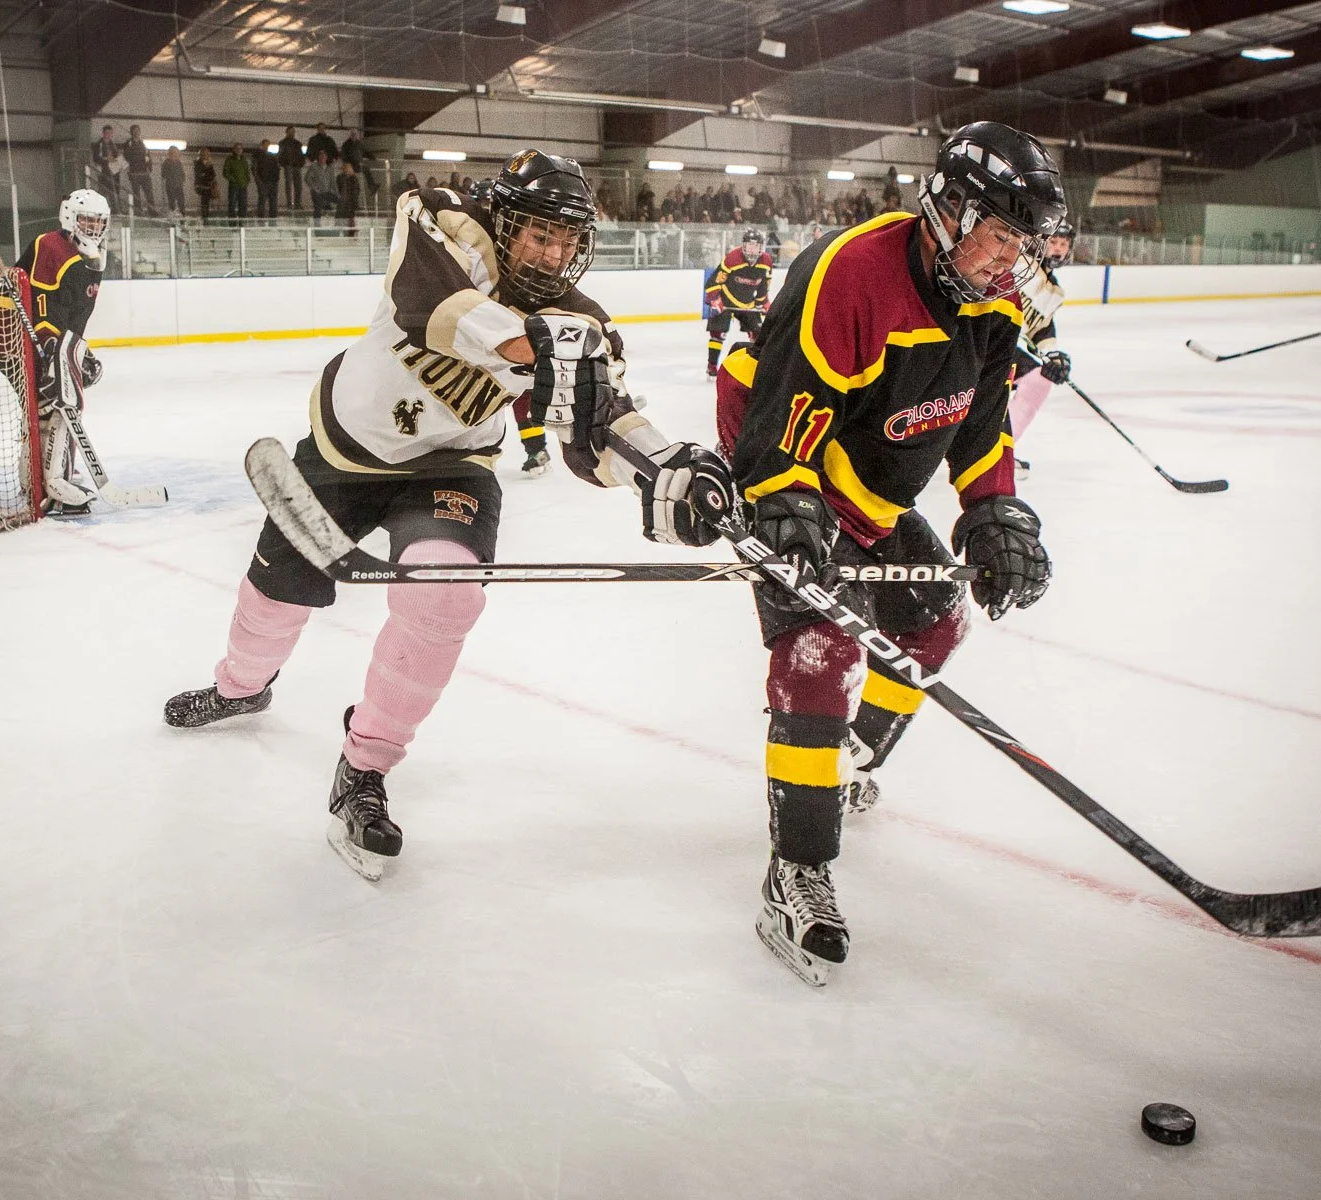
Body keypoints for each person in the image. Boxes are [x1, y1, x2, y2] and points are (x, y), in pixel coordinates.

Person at [162, 149, 733, 885]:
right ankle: (242, 685)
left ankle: (364, 765)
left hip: (450, 467)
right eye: (538, 235)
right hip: (344, 451)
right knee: (273, 595)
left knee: (446, 598)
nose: (554, 254)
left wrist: (665, 472)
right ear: (503, 220)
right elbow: (429, 308)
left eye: (568, 241)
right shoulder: (443, 221)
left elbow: (600, 428)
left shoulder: (579, 321)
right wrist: (536, 348)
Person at [713, 121, 1066, 986]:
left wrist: (994, 513)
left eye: (1025, 247)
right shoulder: (853, 272)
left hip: (873, 492)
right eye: (1001, 238)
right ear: (949, 212)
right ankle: (796, 864)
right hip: (784, 464)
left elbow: (980, 433)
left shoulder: (994, 302)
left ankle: (849, 760)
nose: (1010, 262)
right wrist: (784, 502)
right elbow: (779, 410)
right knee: (820, 647)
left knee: (938, 625)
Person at [16, 189, 110, 517]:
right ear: (70, 217)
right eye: (87, 219)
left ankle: (40, 478)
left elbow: (71, 312)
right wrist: (51, 350)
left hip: (51, 339)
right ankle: (50, 484)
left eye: (99, 221)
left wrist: (78, 352)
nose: (94, 227)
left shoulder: (94, 256)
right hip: (15, 336)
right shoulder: (50, 246)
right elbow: (41, 305)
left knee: (53, 401)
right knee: (57, 400)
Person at [1008, 219, 1076, 475]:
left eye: (1064, 244)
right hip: (990, 341)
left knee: (1038, 380)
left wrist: (1053, 355)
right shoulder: (1018, 263)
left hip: (1012, 350)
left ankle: (999, 452)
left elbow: (1042, 329)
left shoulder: (1056, 291)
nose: (1058, 249)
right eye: (1054, 242)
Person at [703, 228, 773, 378]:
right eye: (749, 245)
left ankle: (755, 365)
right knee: (717, 333)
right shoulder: (732, 258)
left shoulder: (766, 262)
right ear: (743, 245)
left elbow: (763, 285)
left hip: (748, 304)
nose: (752, 249)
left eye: (756, 246)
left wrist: (764, 302)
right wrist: (715, 300)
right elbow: (714, 281)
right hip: (726, 299)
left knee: (758, 334)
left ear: (761, 247)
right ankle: (712, 365)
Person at [124, 125, 156, 216]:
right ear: (132, 132)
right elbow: (127, 156)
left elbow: (148, 155)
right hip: (135, 173)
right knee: (136, 194)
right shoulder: (128, 143)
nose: (137, 132)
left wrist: (150, 167)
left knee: (149, 193)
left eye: (138, 130)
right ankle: (138, 212)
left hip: (145, 172)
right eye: (135, 131)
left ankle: (152, 211)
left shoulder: (143, 143)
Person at [251, 139, 280, 221]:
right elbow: (254, 168)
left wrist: (276, 179)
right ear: (262, 145)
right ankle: (261, 218)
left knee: (273, 201)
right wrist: (258, 181)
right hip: (263, 181)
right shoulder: (257, 155)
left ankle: (273, 218)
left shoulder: (272, 156)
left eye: (268, 145)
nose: (267, 146)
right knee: (262, 200)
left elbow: (277, 168)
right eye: (265, 145)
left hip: (273, 181)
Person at [304, 150, 337, 218]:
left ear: (326, 157)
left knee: (340, 201)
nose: (323, 158)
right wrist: (314, 188)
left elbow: (333, 182)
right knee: (317, 206)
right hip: (317, 192)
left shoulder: (329, 168)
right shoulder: (314, 167)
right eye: (321, 156)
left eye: (324, 156)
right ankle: (317, 223)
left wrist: (336, 193)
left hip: (327, 192)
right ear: (318, 157)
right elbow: (307, 178)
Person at [278, 127, 304, 211]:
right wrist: (284, 163)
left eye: (293, 132)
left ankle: (298, 204)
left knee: (299, 186)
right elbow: (281, 154)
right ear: (287, 132)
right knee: (289, 186)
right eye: (290, 132)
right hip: (288, 165)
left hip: (297, 166)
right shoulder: (282, 143)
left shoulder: (298, 143)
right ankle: (289, 204)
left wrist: (301, 163)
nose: (292, 133)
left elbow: (301, 154)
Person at [91, 125, 120, 199]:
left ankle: (113, 209)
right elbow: (96, 158)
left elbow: (116, 156)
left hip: (114, 171)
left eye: (111, 133)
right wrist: (107, 159)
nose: (109, 135)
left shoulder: (113, 145)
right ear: (103, 133)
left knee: (114, 191)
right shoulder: (98, 144)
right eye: (107, 133)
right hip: (104, 171)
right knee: (103, 191)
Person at [223, 143, 251, 222]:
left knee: (243, 204)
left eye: (240, 148)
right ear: (234, 150)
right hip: (234, 186)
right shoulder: (229, 159)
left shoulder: (244, 160)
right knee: (232, 204)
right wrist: (233, 180)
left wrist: (247, 180)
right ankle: (232, 222)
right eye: (237, 148)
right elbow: (225, 172)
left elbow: (247, 171)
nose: (239, 150)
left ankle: (242, 222)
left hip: (243, 185)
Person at [336, 160, 361, 235]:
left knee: (349, 218)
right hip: (344, 202)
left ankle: (350, 232)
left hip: (349, 202)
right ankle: (346, 232)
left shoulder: (353, 178)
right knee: (344, 218)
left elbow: (355, 190)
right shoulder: (340, 178)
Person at [161, 146, 187, 217]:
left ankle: (182, 220)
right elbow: (163, 174)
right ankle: (173, 223)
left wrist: (182, 178)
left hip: (179, 186)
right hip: (170, 186)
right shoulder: (166, 162)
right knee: (172, 204)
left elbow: (182, 172)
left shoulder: (179, 162)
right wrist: (172, 176)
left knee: (181, 203)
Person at [193, 148, 218, 223]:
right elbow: (199, 175)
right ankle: (204, 218)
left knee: (207, 202)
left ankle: (206, 217)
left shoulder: (210, 164)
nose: (206, 155)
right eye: (205, 153)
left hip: (208, 186)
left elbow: (213, 175)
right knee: (204, 202)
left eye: (208, 154)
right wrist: (206, 175)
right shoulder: (197, 163)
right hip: (201, 186)